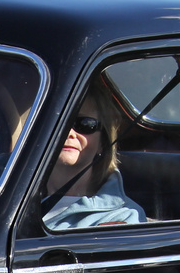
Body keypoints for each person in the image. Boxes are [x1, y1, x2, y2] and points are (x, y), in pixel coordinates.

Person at [41, 88, 145, 229]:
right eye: (58, 123)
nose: (69, 133)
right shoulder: (8, 194)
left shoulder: (124, 216)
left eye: (85, 124)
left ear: (103, 142)